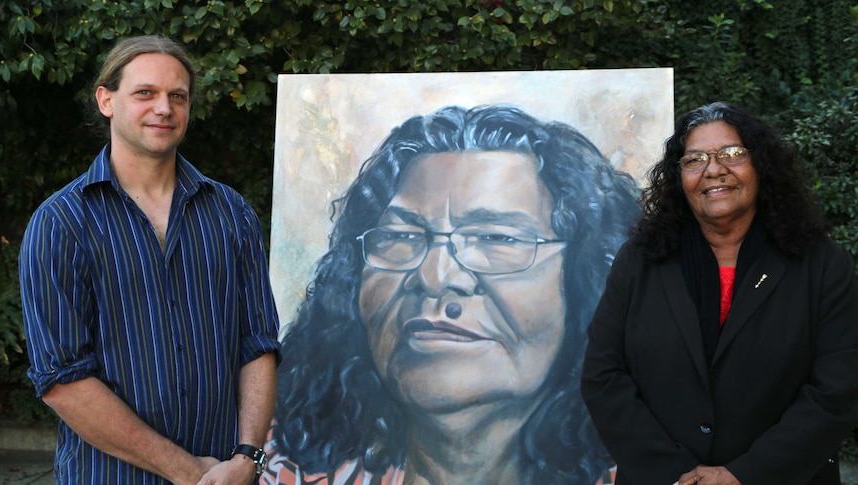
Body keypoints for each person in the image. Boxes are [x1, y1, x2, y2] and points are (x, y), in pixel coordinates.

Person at [262, 105, 639, 484]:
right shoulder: (272, 468)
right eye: (400, 237)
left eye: (496, 238)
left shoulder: (655, 470)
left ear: (585, 277)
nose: (435, 276)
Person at [19, 35, 281, 485]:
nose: (164, 108)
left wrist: (247, 459)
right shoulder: (60, 223)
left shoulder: (231, 213)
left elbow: (257, 344)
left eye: (177, 96)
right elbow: (61, 380)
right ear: (106, 100)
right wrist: (185, 470)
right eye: (145, 93)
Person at [581, 101, 858, 485]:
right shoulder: (640, 261)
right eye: (695, 160)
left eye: (731, 154)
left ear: (762, 166)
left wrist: (744, 475)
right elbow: (603, 375)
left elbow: (837, 390)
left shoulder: (823, 265)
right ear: (679, 178)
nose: (714, 170)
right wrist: (674, 473)